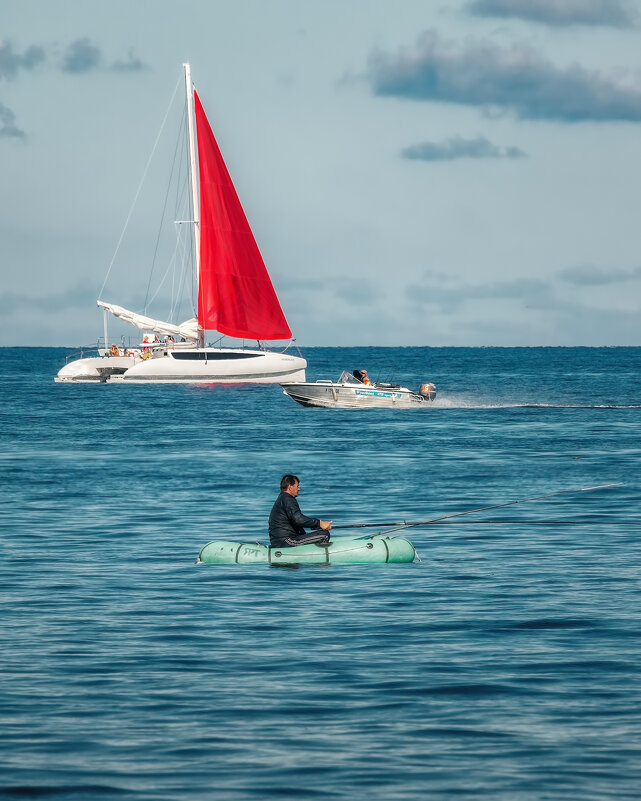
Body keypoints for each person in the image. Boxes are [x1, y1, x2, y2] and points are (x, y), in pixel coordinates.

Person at [268, 475, 332, 547]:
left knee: (319, 533)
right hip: (286, 541)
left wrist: (318, 527)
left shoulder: (282, 498)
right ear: (290, 487)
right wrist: (319, 523)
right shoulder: (288, 499)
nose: (299, 489)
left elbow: (297, 523)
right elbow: (298, 519)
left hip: (280, 540)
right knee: (324, 535)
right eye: (297, 486)